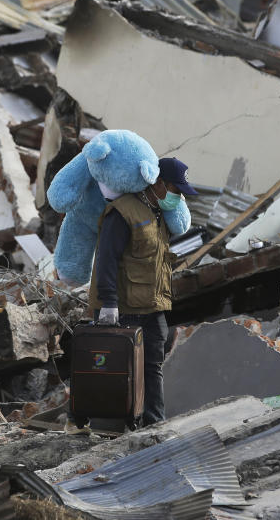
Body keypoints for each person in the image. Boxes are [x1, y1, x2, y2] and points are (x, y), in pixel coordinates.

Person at [89, 157, 199, 426]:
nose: (178, 198)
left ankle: (153, 425)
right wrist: (109, 303)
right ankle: (111, 427)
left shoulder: (159, 213)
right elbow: (106, 259)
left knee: (152, 367)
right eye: (175, 190)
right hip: (124, 308)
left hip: (153, 305)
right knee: (117, 370)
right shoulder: (123, 211)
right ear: (158, 183)